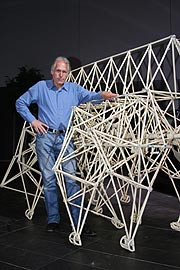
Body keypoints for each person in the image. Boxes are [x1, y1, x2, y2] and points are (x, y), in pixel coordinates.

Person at [16, 56, 118, 235]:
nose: (61, 75)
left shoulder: (73, 90)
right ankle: (53, 219)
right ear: (52, 71)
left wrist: (103, 95)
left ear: (68, 74)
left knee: (71, 179)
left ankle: (78, 222)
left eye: (64, 72)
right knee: (49, 181)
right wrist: (33, 121)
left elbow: (90, 96)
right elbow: (20, 103)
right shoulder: (41, 87)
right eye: (58, 71)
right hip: (45, 138)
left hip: (65, 139)